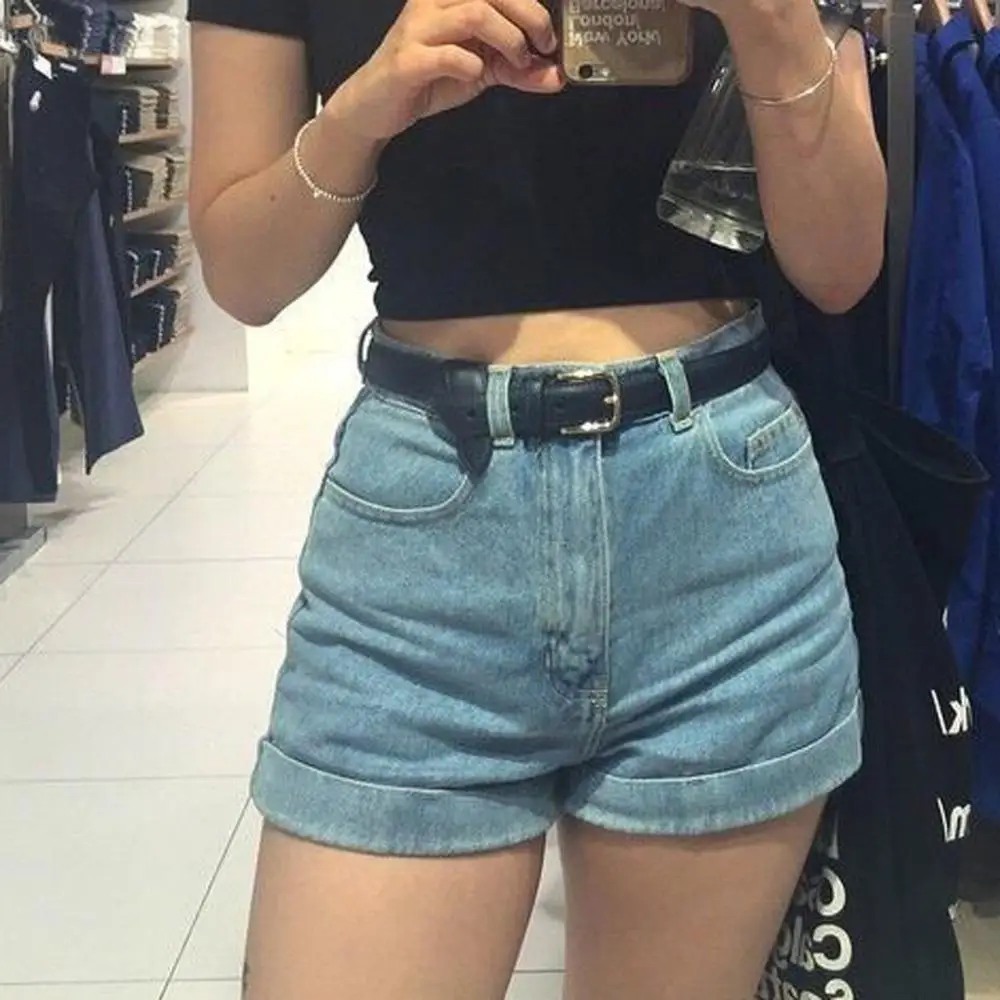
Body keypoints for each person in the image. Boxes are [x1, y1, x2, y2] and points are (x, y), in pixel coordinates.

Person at [185, 0, 887, 997]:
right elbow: (244, 276)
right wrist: (365, 109)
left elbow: (841, 268)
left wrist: (769, 19)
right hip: (422, 562)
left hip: (721, 546)